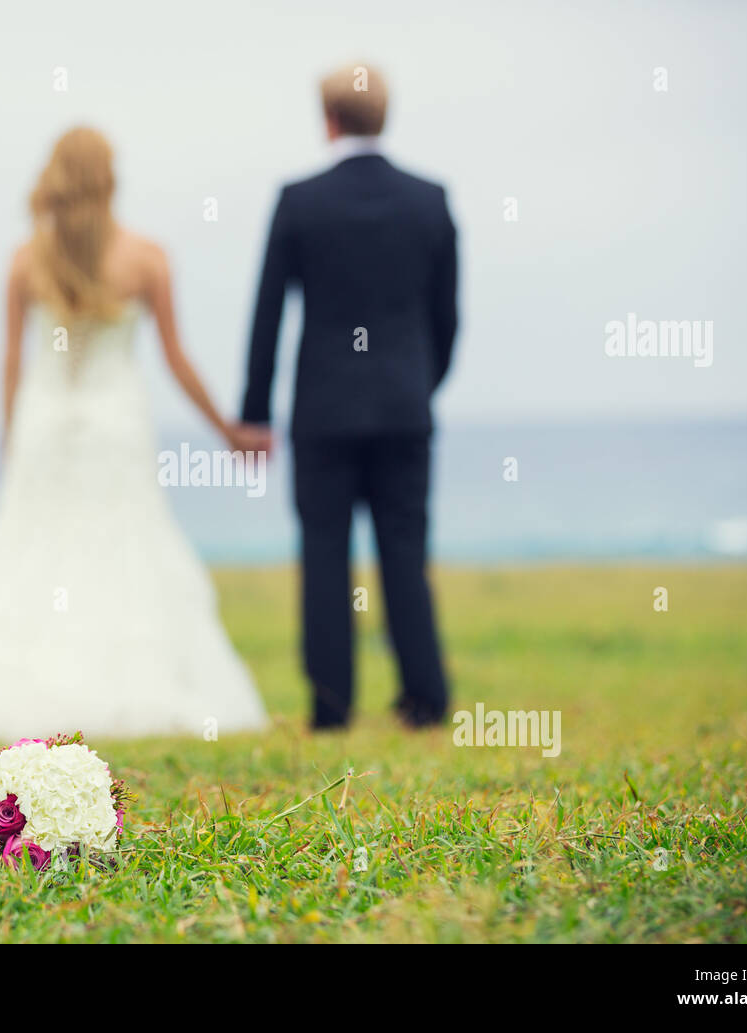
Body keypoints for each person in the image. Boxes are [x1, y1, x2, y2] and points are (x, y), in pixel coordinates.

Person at [0, 127, 267, 749]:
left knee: (33, 545)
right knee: (124, 546)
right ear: (110, 178)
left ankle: (25, 685)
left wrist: (10, 444)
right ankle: (127, 682)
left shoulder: (26, 260)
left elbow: (11, 363)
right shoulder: (147, 258)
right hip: (116, 424)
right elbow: (176, 359)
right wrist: (227, 431)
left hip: (44, 424)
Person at [237, 64, 458, 729]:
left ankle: (331, 707)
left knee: (324, 555)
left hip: (323, 410)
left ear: (327, 119)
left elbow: (268, 313)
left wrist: (254, 412)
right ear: (383, 117)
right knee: (405, 552)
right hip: (403, 407)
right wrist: (421, 381)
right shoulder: (430, 199)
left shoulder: (299, 200)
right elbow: (447, 318)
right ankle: (425, 698)